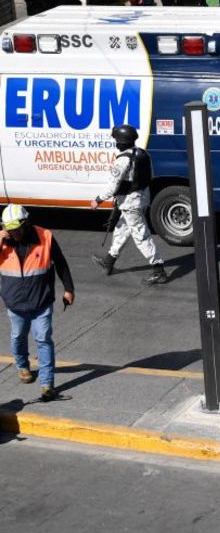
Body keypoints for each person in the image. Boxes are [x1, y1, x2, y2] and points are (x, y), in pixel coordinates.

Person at [0, 205, 75, 402]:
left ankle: (47, 384)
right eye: (10, 229)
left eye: (16, 229)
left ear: (26, 224)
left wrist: (69, 289)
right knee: (18, 337)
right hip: (15, 304)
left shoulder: (45, 237)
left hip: (41, 302)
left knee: (43, 339)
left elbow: (60, 263)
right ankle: (22, 366)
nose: (13, 233)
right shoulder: (3, 242)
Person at [89, 124, 168, 285]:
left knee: (140, 235)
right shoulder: (144, 154)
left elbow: (113, 186)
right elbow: (151, 176)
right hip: (142, 197)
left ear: (121, 142)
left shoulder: (123, 160)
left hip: (130, 202)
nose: (115, 143)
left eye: (116, 140)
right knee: (122, 229)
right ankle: (109, 261)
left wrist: (97, 200)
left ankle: (158, 269)